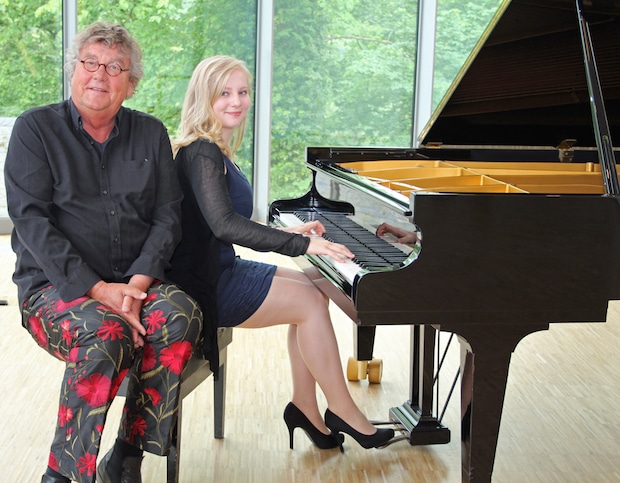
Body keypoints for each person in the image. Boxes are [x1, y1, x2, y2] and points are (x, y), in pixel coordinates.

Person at [4, 22, 202, 483]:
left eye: (115, 67)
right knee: (105, 332)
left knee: (181, 315)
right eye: (90, 62)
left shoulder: (150, 133)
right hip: (55, 289)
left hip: (135, 284)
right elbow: (31, 223)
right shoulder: (35, 129)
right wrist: (98, 290)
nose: (99, 74)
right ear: (74, 70)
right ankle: (63, 474)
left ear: (131, 84)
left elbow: (168, 217)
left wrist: (134, 287)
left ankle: (127, 456)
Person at [168, 55, 394, 452]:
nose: (236, 101)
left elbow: (218, 224)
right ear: (204, 96)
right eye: (224, 93)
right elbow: (225, 226)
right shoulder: (202, 151)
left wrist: (290, 231)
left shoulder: (214, 147)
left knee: (316, 289)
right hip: (204, 285)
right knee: (309, 302)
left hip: (220, 267)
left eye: (243, 92)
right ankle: (341, 409)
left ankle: (306, 406)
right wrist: (304, 244)